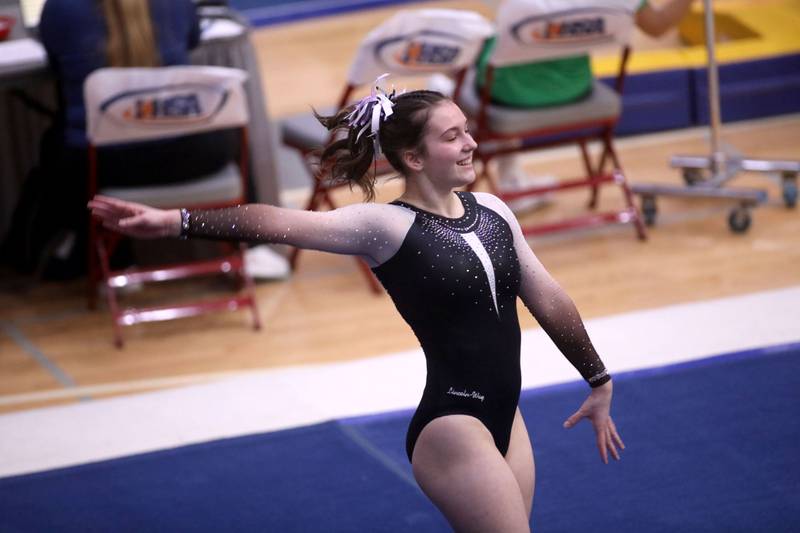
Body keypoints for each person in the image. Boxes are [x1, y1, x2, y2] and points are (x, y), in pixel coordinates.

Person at [89, 85, 623, 532]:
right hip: (453, 426)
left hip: (508, 417)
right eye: (452, 135)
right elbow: (274, 221)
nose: (471, 144)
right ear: (413, 159)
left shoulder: (494, 210)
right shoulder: (386, 226)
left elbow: (548, 296)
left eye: (467, 130)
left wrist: (597, 378)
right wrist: (175, 221)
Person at [3, 0, 287, 280]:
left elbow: (55, 61)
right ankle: (253, 245)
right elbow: (192, 38)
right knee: (230, 127)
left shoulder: (61, 10)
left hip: (107, 166)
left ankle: (114, 260)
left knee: (58, 146)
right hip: (193, 156)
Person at [475, 0, 695, 212]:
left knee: (473, 56)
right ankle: (511, 178)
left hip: (509, 92)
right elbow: (658, 26)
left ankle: (500, 172)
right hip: (572, 88)